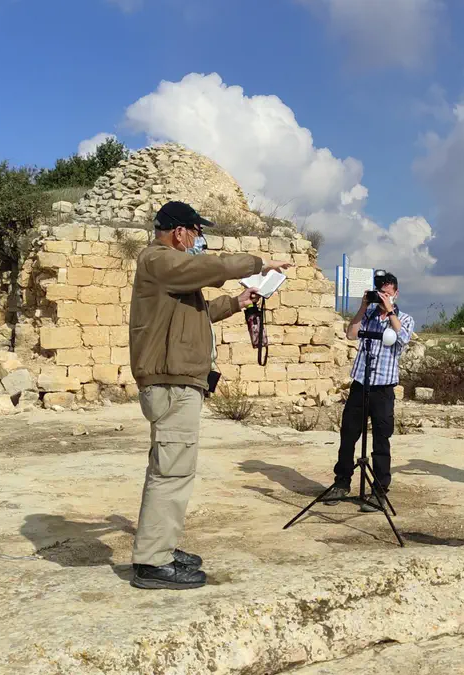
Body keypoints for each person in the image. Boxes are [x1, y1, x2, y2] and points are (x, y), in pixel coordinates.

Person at [127, 200, 291, 590]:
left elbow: (197, 313)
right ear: (179, 232)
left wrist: (237, 303)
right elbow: (210, 267)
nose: (199, 240)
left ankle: (161, 548)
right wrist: (258, 264)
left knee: (171, 469)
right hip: (172, 385)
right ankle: (152, 561)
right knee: (171, 472)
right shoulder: (160, 260)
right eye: (197, 232)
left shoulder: (170, 271)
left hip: (178, 383)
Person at [321, 272, 415, 513]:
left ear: (396, 294)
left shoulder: (404, 318)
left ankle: (379, 490)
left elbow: (403, 338)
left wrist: (390, 311)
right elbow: (351, 334)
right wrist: (363, 306)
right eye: (380, 293)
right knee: (348, 435)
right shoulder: (369, 315)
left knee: (381, 440)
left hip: (383, 388)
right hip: (361, 383)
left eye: (388, 293)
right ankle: (341, 483)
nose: (383, 297)